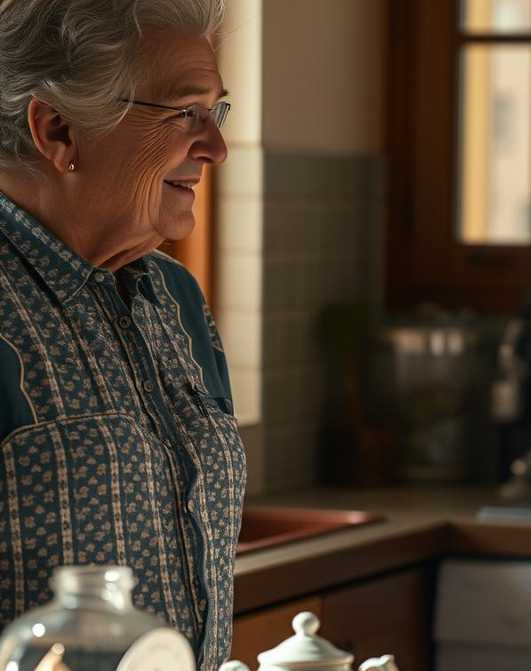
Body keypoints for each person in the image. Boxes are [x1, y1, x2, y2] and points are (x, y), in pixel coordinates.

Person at [0, 1, 242, 669]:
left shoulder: (175, 298)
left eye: (215, 112)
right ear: (58, 130)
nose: (216, 147)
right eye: (184, 113)